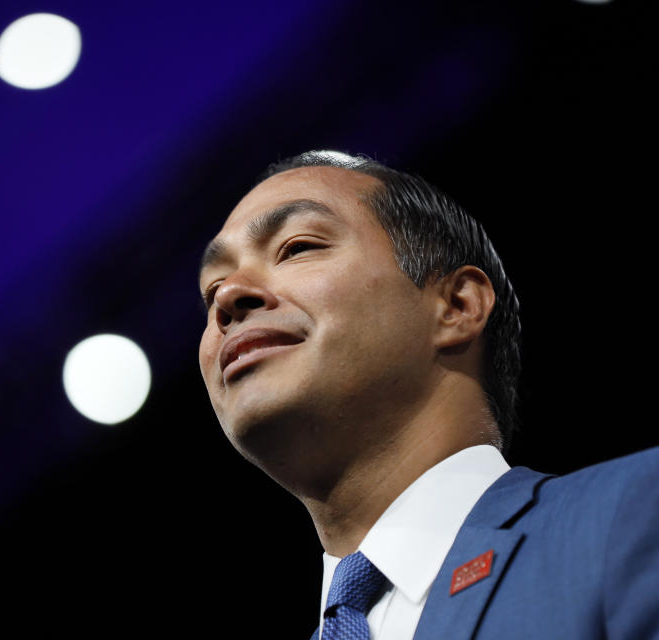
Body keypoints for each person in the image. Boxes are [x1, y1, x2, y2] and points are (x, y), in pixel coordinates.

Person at [196, 150, 659, 639]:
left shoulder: (634, 513)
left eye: (297, 248)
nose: (228, 298)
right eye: (212, 290)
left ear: (457, 305)